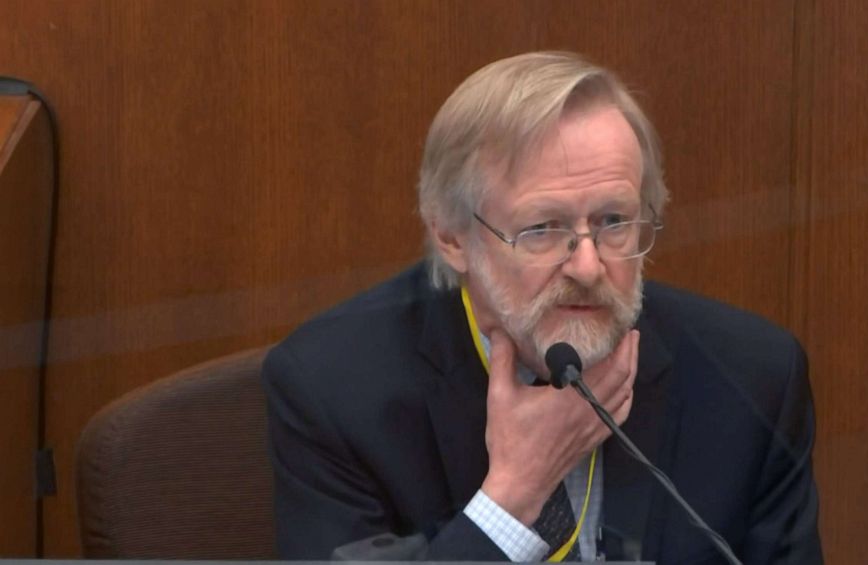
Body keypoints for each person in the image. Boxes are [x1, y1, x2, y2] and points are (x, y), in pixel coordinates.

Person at [262, 51, 822, 563]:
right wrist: (511, 499)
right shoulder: (335, 391)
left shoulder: (752, 379)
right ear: (454, 237)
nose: (587, 266)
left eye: (613, 222)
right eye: (542, 229)